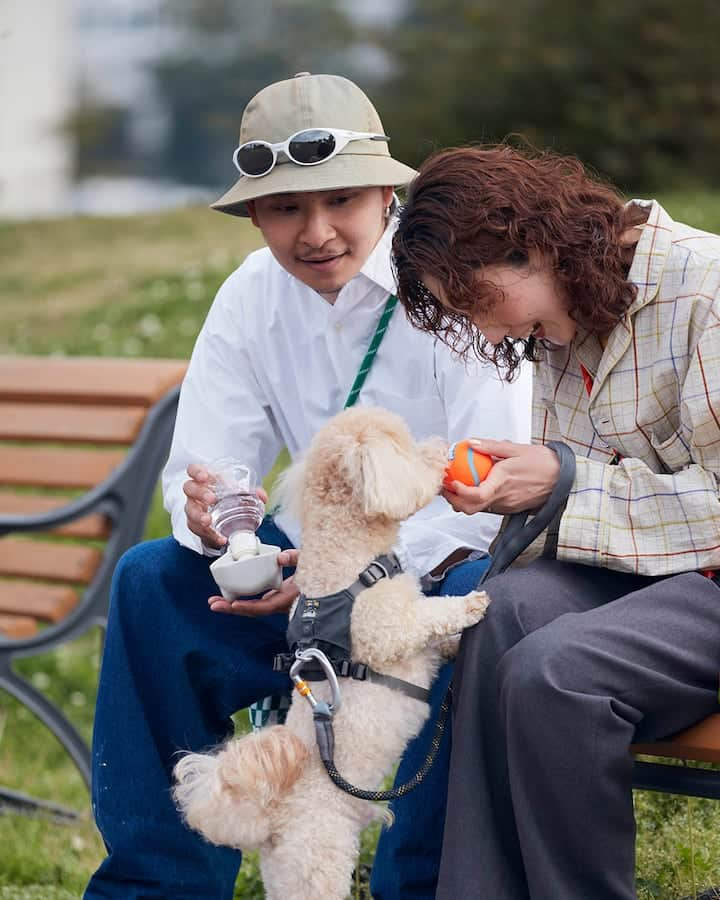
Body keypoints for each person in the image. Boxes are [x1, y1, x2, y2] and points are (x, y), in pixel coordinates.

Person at [84, 77, 531, 899]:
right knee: (151, 582)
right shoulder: (249, 296)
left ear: (388, 196)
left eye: (342, 200)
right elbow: (209, 467)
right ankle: (155, 886)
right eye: (287, 208)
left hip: (427, 574)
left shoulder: (454, 291)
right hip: (298, 576)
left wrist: (343, 591)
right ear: (255, 215)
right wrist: (224, 530)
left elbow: (487, 491)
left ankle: (421, 883)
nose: (317, 232)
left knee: (481, 598)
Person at [391, 143, 720, 899]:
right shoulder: (563, 316)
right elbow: (589, 508)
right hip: (652, 577)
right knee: (493, 610)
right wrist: (522, 495)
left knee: (556, 673)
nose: (494, 334)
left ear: (533, 242)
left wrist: (567, 480)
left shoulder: (705, 292)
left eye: (480, 300)